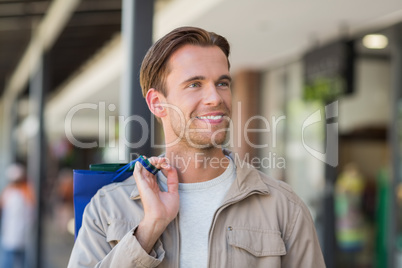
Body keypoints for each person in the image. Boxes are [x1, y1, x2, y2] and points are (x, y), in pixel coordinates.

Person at [68, 26, 326, 267]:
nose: (215, 98)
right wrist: (148, 231)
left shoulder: (284, 207)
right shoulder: (108, 206)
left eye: (222, 83)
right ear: (157, 103)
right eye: (195, 84)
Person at [0, 163, 35, 268]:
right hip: (13, 234)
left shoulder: (25, 192)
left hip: (20, 234)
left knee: (17, 260)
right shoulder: (10, 192)